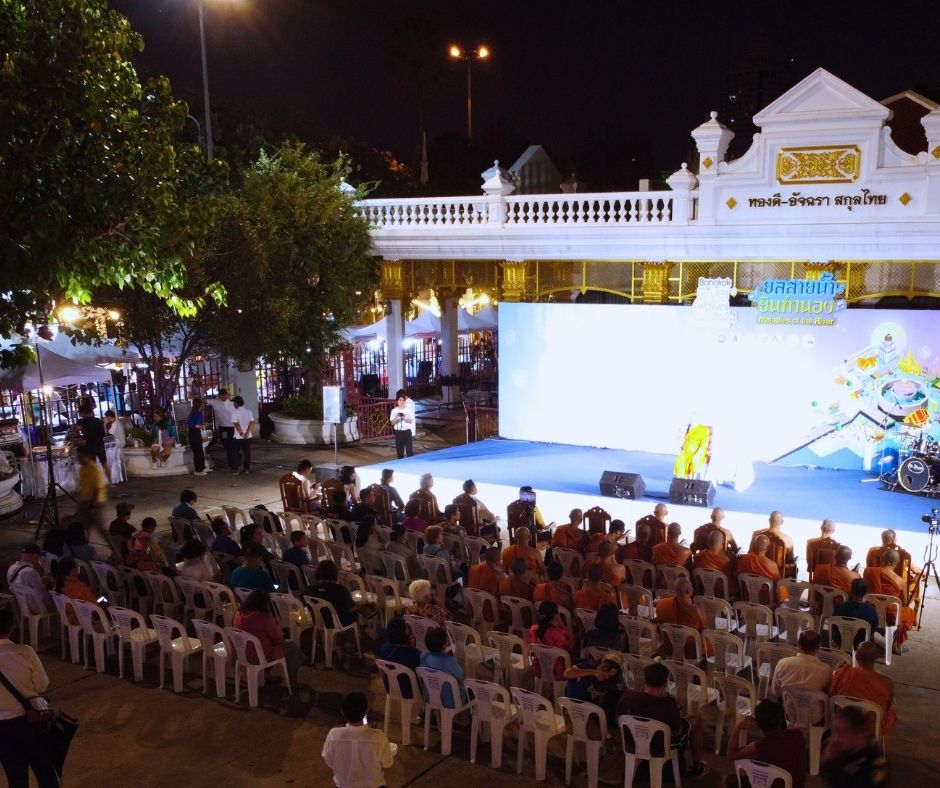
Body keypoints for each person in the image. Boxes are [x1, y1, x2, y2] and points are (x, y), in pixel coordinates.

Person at [0, 604, 62, 788]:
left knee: (16, 777)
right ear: (12, 627)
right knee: (45, 771)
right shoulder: (24, 651)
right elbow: (42, 685)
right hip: (32, 721)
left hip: (3, 727)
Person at [617, 661, 708, 779]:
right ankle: (697, 766)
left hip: (632, 742)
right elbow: (677, 731)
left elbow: (618, 719)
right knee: (697, 719)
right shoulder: (668, 707)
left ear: (645, 680)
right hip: (659, 746)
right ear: (665, 683)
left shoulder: (627, 698)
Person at [725, 698, 808, 788]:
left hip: (769, 784)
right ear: (780, 720)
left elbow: (731, 755)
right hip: (796, 785)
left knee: (727, 780)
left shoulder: (760, 747)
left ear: (758, 725)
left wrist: (739, 726)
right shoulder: (798, 735)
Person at [322, 690, 396, 788]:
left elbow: (329, 760)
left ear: (342, 711)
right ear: (367, 710)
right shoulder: (379, 737)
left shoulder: (333, 735)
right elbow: (387, 764)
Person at [829, 640, 897, 745]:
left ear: (856, 657)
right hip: (870, 727)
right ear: (876, 657)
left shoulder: (843, 673)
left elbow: (831, 695)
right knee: (891, 714)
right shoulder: (886, 683)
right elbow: (886, 708)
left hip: (843, 721)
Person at [233, 589, 302, 685]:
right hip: (260, 655)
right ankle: (293, 681)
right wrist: (279, 633)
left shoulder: (238, 614)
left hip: (241, 653)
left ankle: (266, 675)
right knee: (291, 647)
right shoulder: (264, 617)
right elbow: (278, 639)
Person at [820, 705, 890, 788]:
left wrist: (830, 762)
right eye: (836, 732)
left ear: (859, 734)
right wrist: (830, 761)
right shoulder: (844, 753)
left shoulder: (874, 765)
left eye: (842, 733)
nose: (836, 739)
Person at [863, 548, 915, 653]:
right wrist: (912, 597)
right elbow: (904, 602)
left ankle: (872, 635)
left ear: (882, 559)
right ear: (897, 562)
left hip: (870, 612)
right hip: (890, 617)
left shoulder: (869, 571)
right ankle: (896, 643)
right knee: (909, 612)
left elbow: (864, 589)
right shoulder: (901, 581)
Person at [563, 653, 623, 727]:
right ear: (602, 662)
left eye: (610, 676)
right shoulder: (586, 667)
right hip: (572, 710)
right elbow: (567, 674)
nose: (606, 675)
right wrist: (594, 672)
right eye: (606, 670)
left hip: (588, 714)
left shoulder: (606, 684)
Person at [654, 578, 706, 659]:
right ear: (688, 591)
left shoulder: (662, 603)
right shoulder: (695, 611)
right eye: (691, 587)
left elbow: (659, 626)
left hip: (670, 647)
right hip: (689, 651)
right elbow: (704, 629)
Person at [771, 629, 831, 699]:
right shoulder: (826, 670)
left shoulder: (782, 663)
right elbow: (828, 694)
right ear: (818, 648)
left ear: (798, 645)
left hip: (786, 705)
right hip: (814, 705)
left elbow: (776, 692)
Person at [419, 627, 468, 708]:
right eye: (447, 640)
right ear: (443, 645)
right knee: (469, 690)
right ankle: (464, 715)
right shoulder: (450, 662)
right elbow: (462, 678)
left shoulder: (423, 657)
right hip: (449, 702)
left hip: (429, 698)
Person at [528, 600, 574, 681]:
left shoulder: (533, 630)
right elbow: (570, 647)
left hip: (539, 670)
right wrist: (562, 626)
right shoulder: (561, 634)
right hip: (558, 672)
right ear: (556, 615)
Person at [736, 534, 788, 605]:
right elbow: (779, 584)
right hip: (766, 601)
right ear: (768, 547)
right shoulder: (772, 565)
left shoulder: (744, 559)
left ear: (754, 545)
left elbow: (737, 575)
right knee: (782, 587)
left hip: (747, 597)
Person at [305, 560, 359, 628]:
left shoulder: (309, 589)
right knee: (359, 609)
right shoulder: (339, 589)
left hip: (318, 621)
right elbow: (351, 607)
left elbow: (308, 607)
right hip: (339, 622)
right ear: (334, 573)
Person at [377, 617, 421, 700]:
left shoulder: (383, 648)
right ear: (405, 633)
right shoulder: (413, 654)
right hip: (410, 691)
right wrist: (411, 646)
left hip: (390, 688)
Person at [74, 444, 108, 547]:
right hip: (85, 502)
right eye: (78, 456)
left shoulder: (95, 470)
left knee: (101, 529)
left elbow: (97, 489)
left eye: (80, 456)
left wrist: (92, 505)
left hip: (95, 503)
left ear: (87, 456)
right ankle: (85, 544)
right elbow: (82, 487)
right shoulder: (82, 469)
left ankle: (115, 550)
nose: (78, 458)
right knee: (83, 525)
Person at [831, 578, 878, 648]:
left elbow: (834, 626)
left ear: (851, 591)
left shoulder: (839, 608)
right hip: (860, 645)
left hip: (839, 642)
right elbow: (871, 632)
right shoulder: (871, 613)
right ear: (866, 593)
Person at [749, 510, 795, 577]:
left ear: (769, 520)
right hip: (777, 573)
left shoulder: (757, 535)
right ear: (782, 522)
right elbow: (790, 560)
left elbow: (750, 553)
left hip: (756, 571)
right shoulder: (787, 539)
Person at [55, 556, 100, 624]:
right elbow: (94, 606)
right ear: (72, 571)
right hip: (84, 618)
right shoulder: (80, 587)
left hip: (68, 618)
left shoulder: (61, 585)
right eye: (77, 568)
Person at [7, 544, 53, 610]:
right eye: (39, 556)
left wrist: (40, 582)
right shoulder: (31, 572)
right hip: (37, 609)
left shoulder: (11, 568)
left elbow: (22, 585)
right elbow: (42, 596)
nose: (39, 559)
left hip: (22, 607)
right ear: (34, 555)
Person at [693, 529, 734, 598]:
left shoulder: (698, 556)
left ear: (708, 542)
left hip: (703, 592)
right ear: (723, 542)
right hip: (723, 594)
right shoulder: (729, 558)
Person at [77, 403, 108, 475]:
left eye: (79, 413)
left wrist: (82, 440)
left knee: (92, 467)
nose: (79, 414)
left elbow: (85, 434)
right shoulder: (98, 420)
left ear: (83, 413)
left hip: (91, 446)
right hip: (100, 445)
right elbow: (102, 433)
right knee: (105, 465)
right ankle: (110, 480)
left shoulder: (84, 422)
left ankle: (96, 480)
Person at [211, 388, 236, 472]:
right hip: (223, 429)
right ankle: (233, 459)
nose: (224, 397)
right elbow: (205, 401)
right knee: (225, 442)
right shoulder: (216, 403)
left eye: (225, 395)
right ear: (219, 396)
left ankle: (233, 463)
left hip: (231, 428)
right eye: (222, 396)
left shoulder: (232, 404)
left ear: (227, 395)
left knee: (231, 445)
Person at [231, 395, 254, 475]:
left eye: (234, 403)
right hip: (248, 437)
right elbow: (252, 423)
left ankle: (235, 470)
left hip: (238, 437)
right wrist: (247, 433)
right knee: (247, 453)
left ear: (236, 403)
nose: (233, 404)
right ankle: (246, 469)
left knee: (235, 453)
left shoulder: (235, 413)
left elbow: (236, 424)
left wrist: (241, 433)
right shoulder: (249, 411)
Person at [389, 389, 416, 459]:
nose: (401, 402)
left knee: (409, 451)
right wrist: (396, 419)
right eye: (400, 400)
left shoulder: (408, 409)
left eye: (403, 400)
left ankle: (411, 463)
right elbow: (392, 423)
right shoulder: (394, 411)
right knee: (399, 451)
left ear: (405, 401)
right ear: (397, 401)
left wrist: (404, 418)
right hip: (398, 432)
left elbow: (411, 421)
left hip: (407, 431)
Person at [187, 397, 208, 475]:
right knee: (199, 452)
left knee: (198, 452)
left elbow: (191, 424)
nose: (203, 405)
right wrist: (204, 425)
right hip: (195, 434)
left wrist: (202, 424)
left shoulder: (192, 414)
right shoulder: (198, 414)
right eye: (202, 404)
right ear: (200, 405)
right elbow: (196, 426)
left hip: (191, 434)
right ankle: (198, 470)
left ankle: (201, 468)